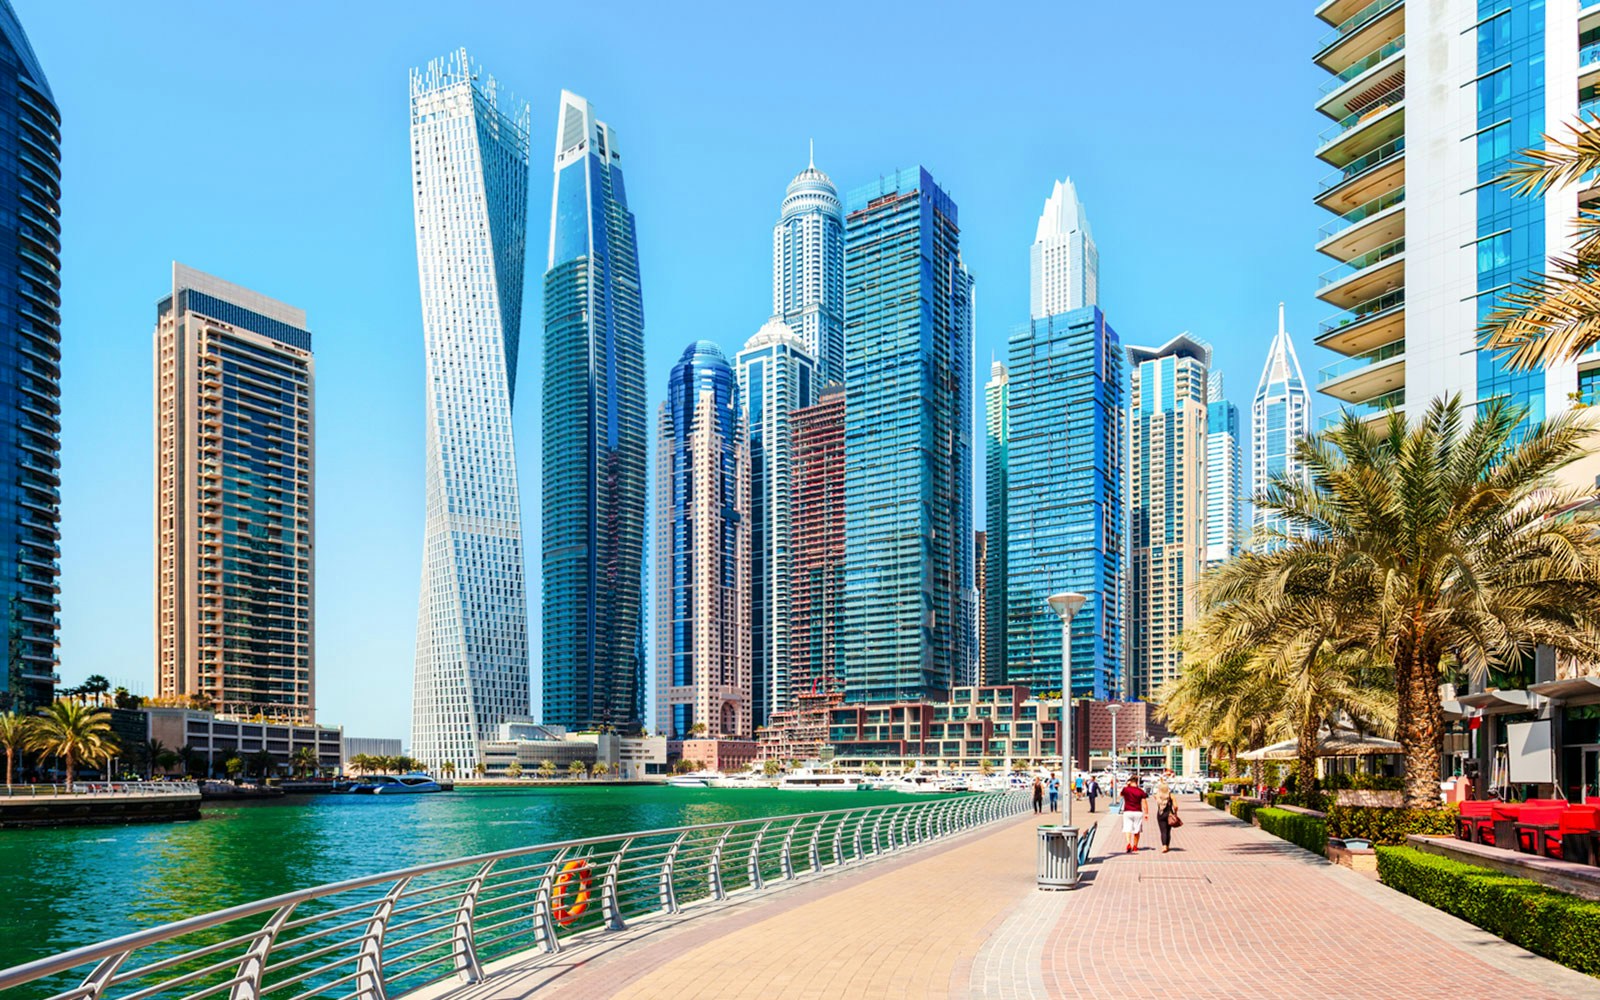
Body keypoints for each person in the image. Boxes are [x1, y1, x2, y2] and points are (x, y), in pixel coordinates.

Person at [1120, 778, 1148, 852]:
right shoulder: (1140, 791)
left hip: (1127, 811)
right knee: (1137, 829)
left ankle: (1129, 843)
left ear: (1130, 782)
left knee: (1127, 828)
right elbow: (1144, 802)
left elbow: (1120, 794)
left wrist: (1127, 785)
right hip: (1138, 812)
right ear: (1137, 782)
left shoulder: (1126, 789)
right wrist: (1146, 813)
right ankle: (1135, 845)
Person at [1152, 779, 1180, 854]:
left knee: (1163, 831)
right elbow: (1176, 806)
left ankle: (1164, 845)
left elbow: (1158, 792)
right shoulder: (1171, 795)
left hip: (1160, 814)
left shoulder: (1157, 796)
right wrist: (1175, 812)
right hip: (1169, 814)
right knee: (1168, 831)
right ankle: (1167, 845)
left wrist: (1161, 784)